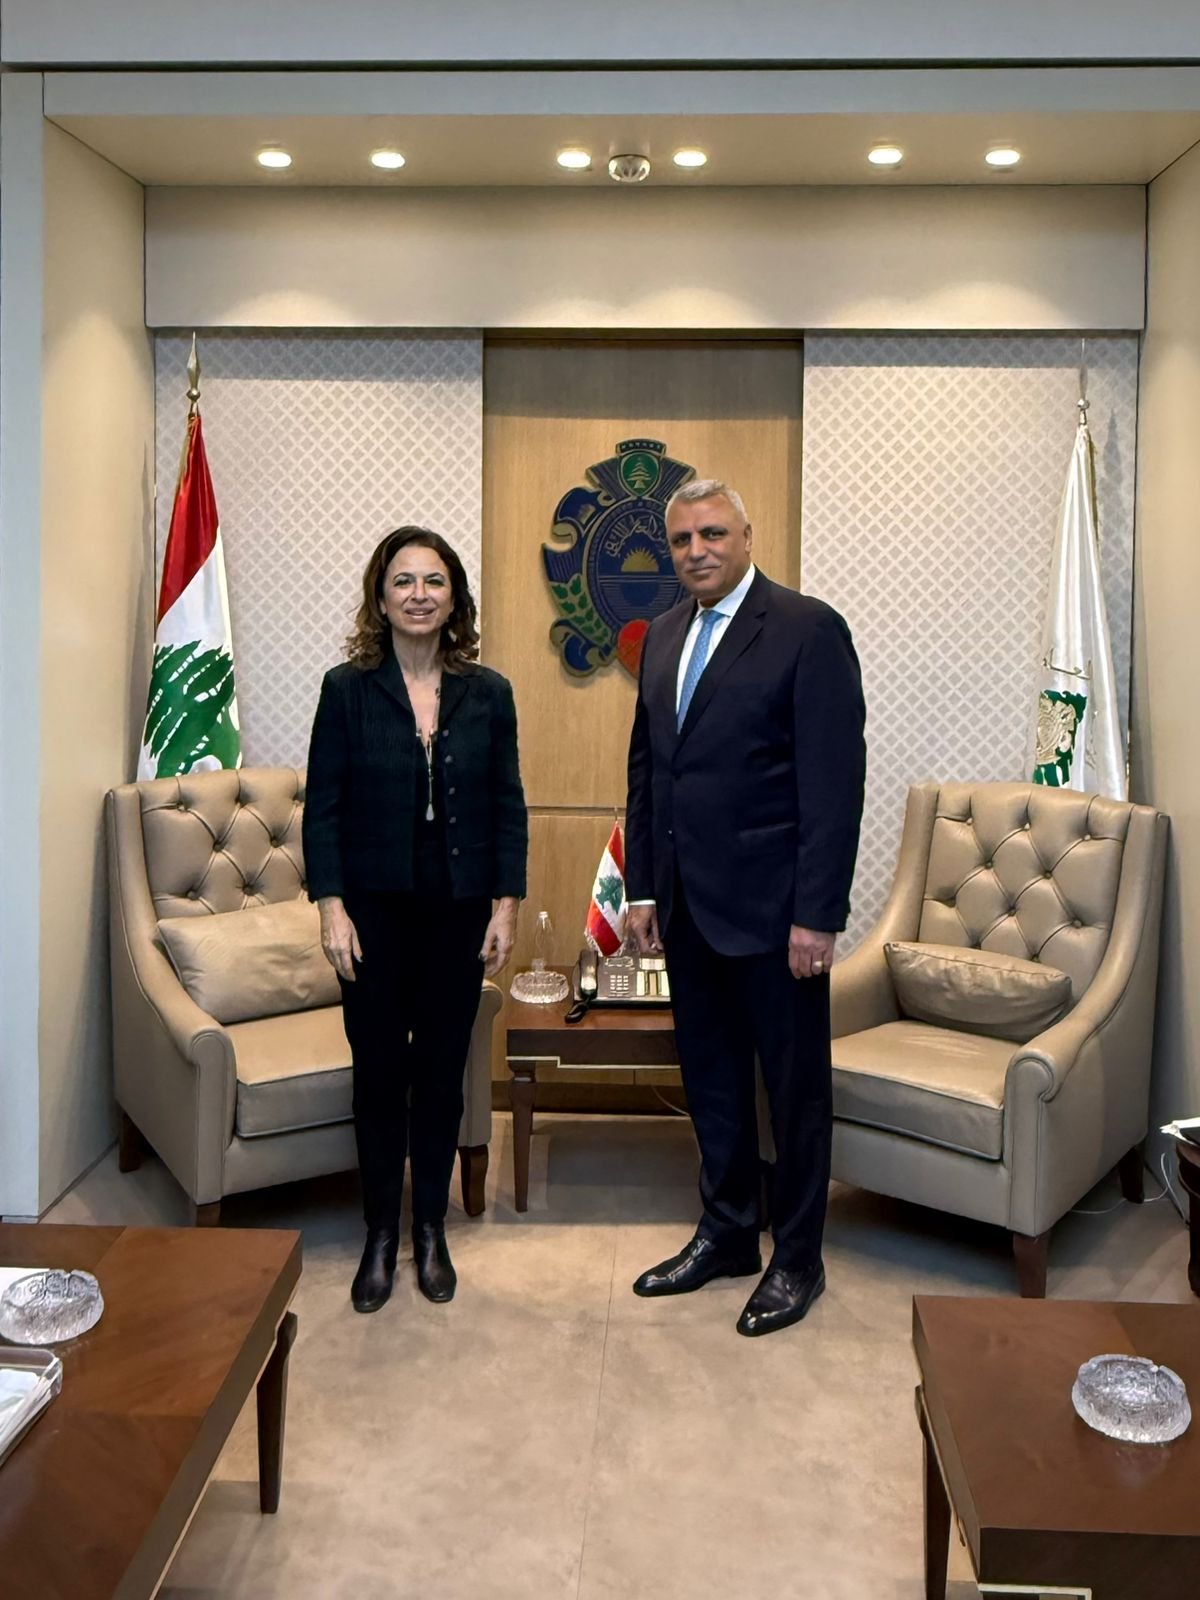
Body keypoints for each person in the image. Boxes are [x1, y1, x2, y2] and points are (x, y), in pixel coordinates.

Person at [624, 479, 865, 1337]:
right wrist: (643, 887)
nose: (697, 550)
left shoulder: (806, 629)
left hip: (776, 917)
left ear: (746, 536)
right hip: (687, 908)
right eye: (682, 539)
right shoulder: (662, 635)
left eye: (713, 533)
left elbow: (833, 785)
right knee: (713, 1081)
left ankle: (798, 1257)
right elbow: (650, 771)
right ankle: (728, 1231)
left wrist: (818, 915)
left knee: (793, 1095)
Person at [304, 526, 527, 1314]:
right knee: (378, 1076)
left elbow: (507, 805)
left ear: (454, 597)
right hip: (372, 913)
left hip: (457, 912)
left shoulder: (489, 692)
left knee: (438, 1076)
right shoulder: (347, 689)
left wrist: (506, 905)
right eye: (403, 581)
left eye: (434, 581)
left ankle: (428, 1227)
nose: (419, 595)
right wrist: (331, 909)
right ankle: (380, 1233)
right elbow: (323, 808)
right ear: (381, 595)